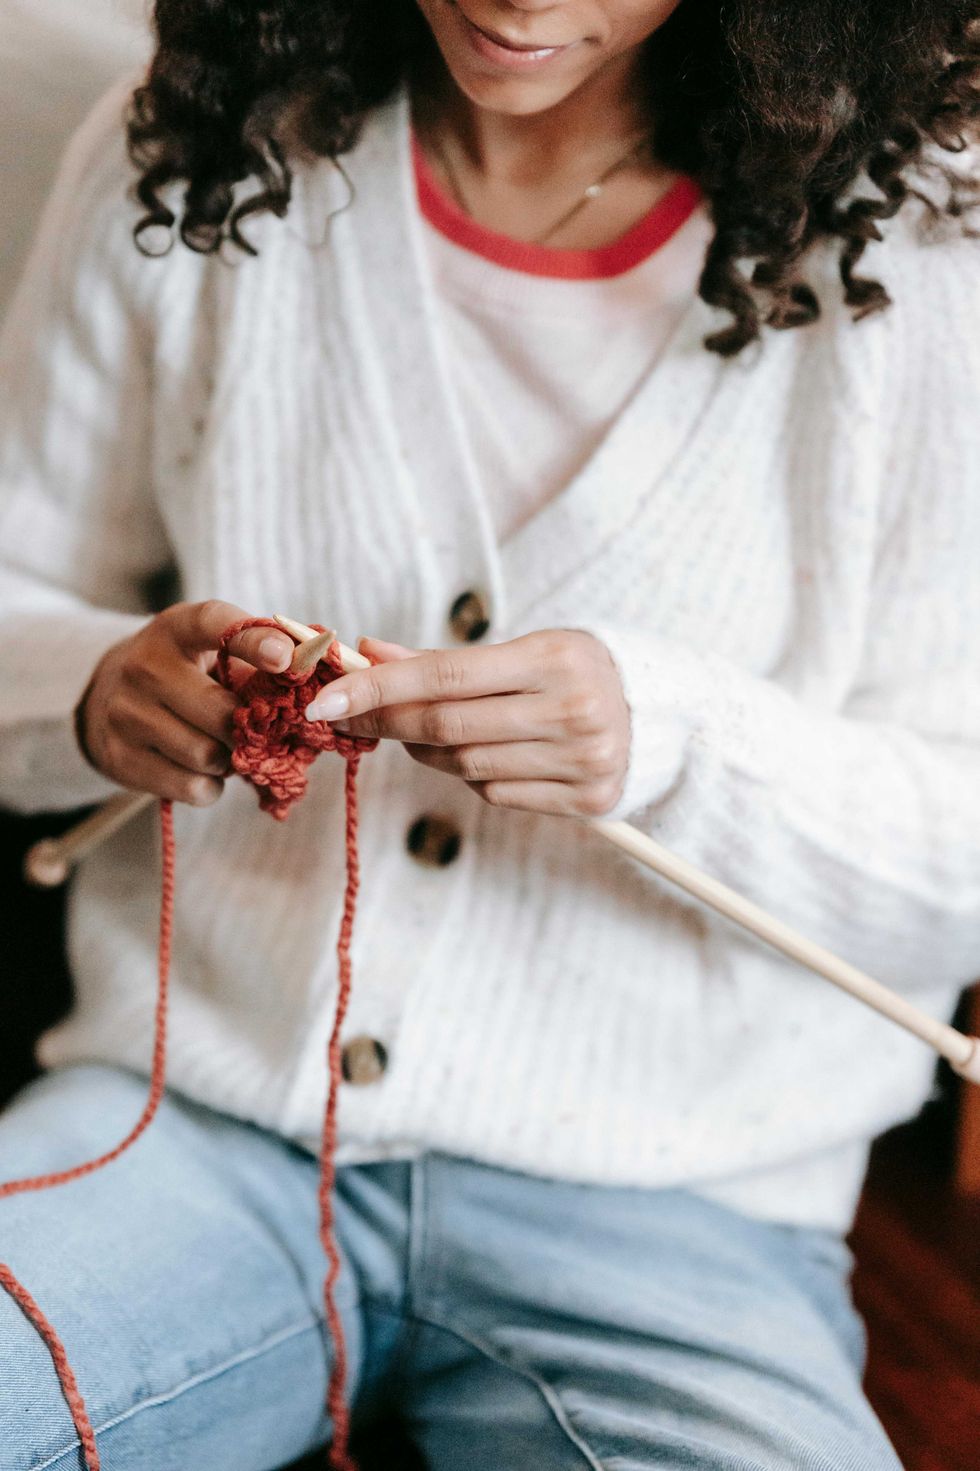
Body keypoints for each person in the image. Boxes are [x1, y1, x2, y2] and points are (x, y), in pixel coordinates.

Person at [1, 2, 978, 1467]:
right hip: (191, 1127)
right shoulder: (203, 139)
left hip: (679, 1211)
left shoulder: (930, 247)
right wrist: (90, 686)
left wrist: (675, 748)